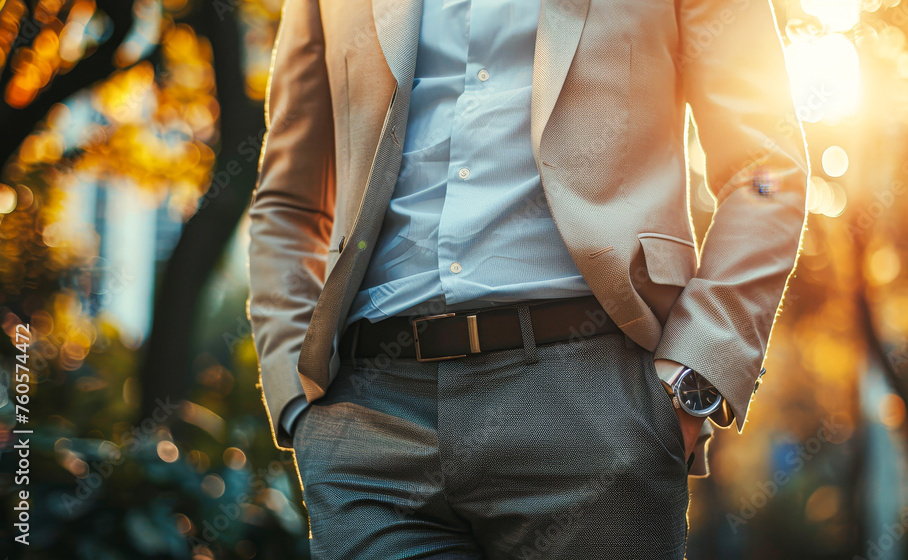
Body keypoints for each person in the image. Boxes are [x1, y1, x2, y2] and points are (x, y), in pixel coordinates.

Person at [246, 0, 809, 556]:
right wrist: (298, 402)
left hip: (595, 402)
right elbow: (291, 201)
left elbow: (765, 168)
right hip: (371, 425)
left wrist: (695, 378)